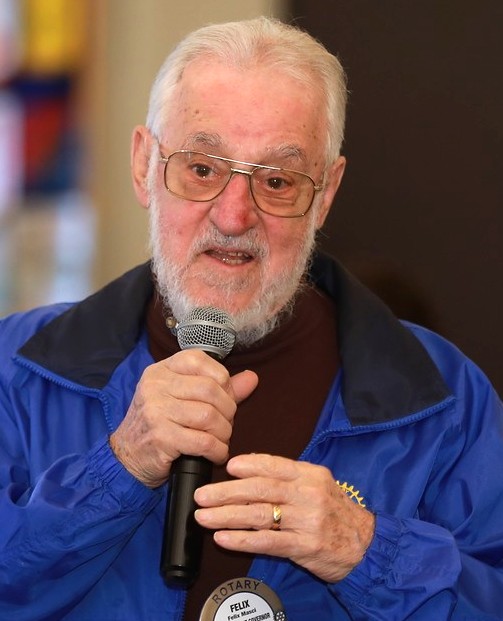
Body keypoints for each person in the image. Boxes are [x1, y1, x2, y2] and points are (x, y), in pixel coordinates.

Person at [0, 16, 502, 621]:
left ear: (325, 194)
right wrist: (118, 469)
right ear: (143, 165)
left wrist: (365, 550)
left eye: (278, 181)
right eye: (202, 169)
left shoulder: (445, 402)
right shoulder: (18, 371)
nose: (234, 216)